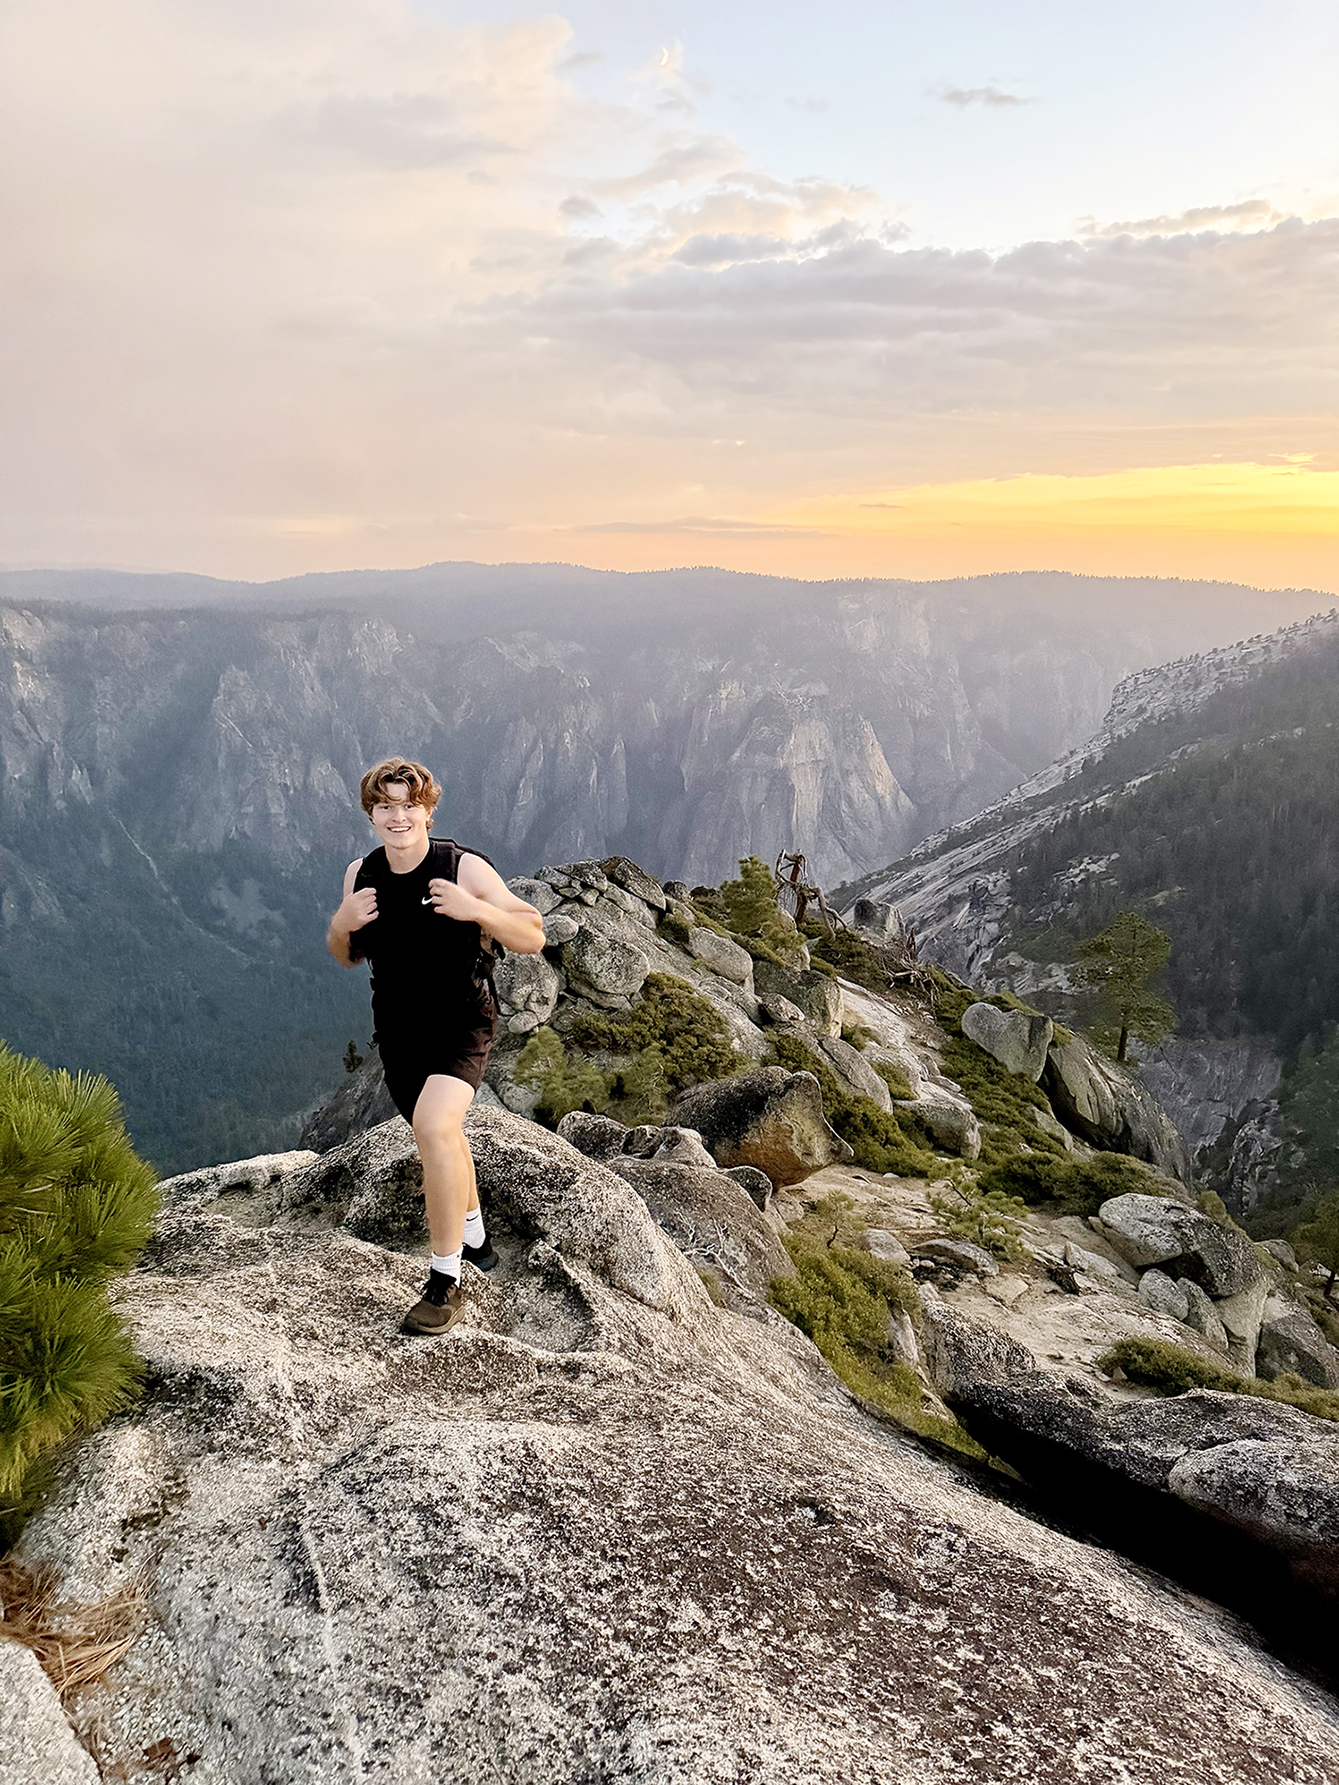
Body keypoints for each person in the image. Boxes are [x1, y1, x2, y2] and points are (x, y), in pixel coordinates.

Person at [326, 757, 544, 1334]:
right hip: (399, 1033)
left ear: (428, 811)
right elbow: (346, 955)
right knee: (443, 1134)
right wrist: (341, 922)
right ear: (371, 814)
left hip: (460, 1024)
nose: (397, 816)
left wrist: (476, 910)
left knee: (432, 1126)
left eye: (409, 805)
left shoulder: (461, 867)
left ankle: (445, 1283)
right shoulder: (360, 875)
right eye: (385, 806)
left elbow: (532, 933)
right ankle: (476, 1238)